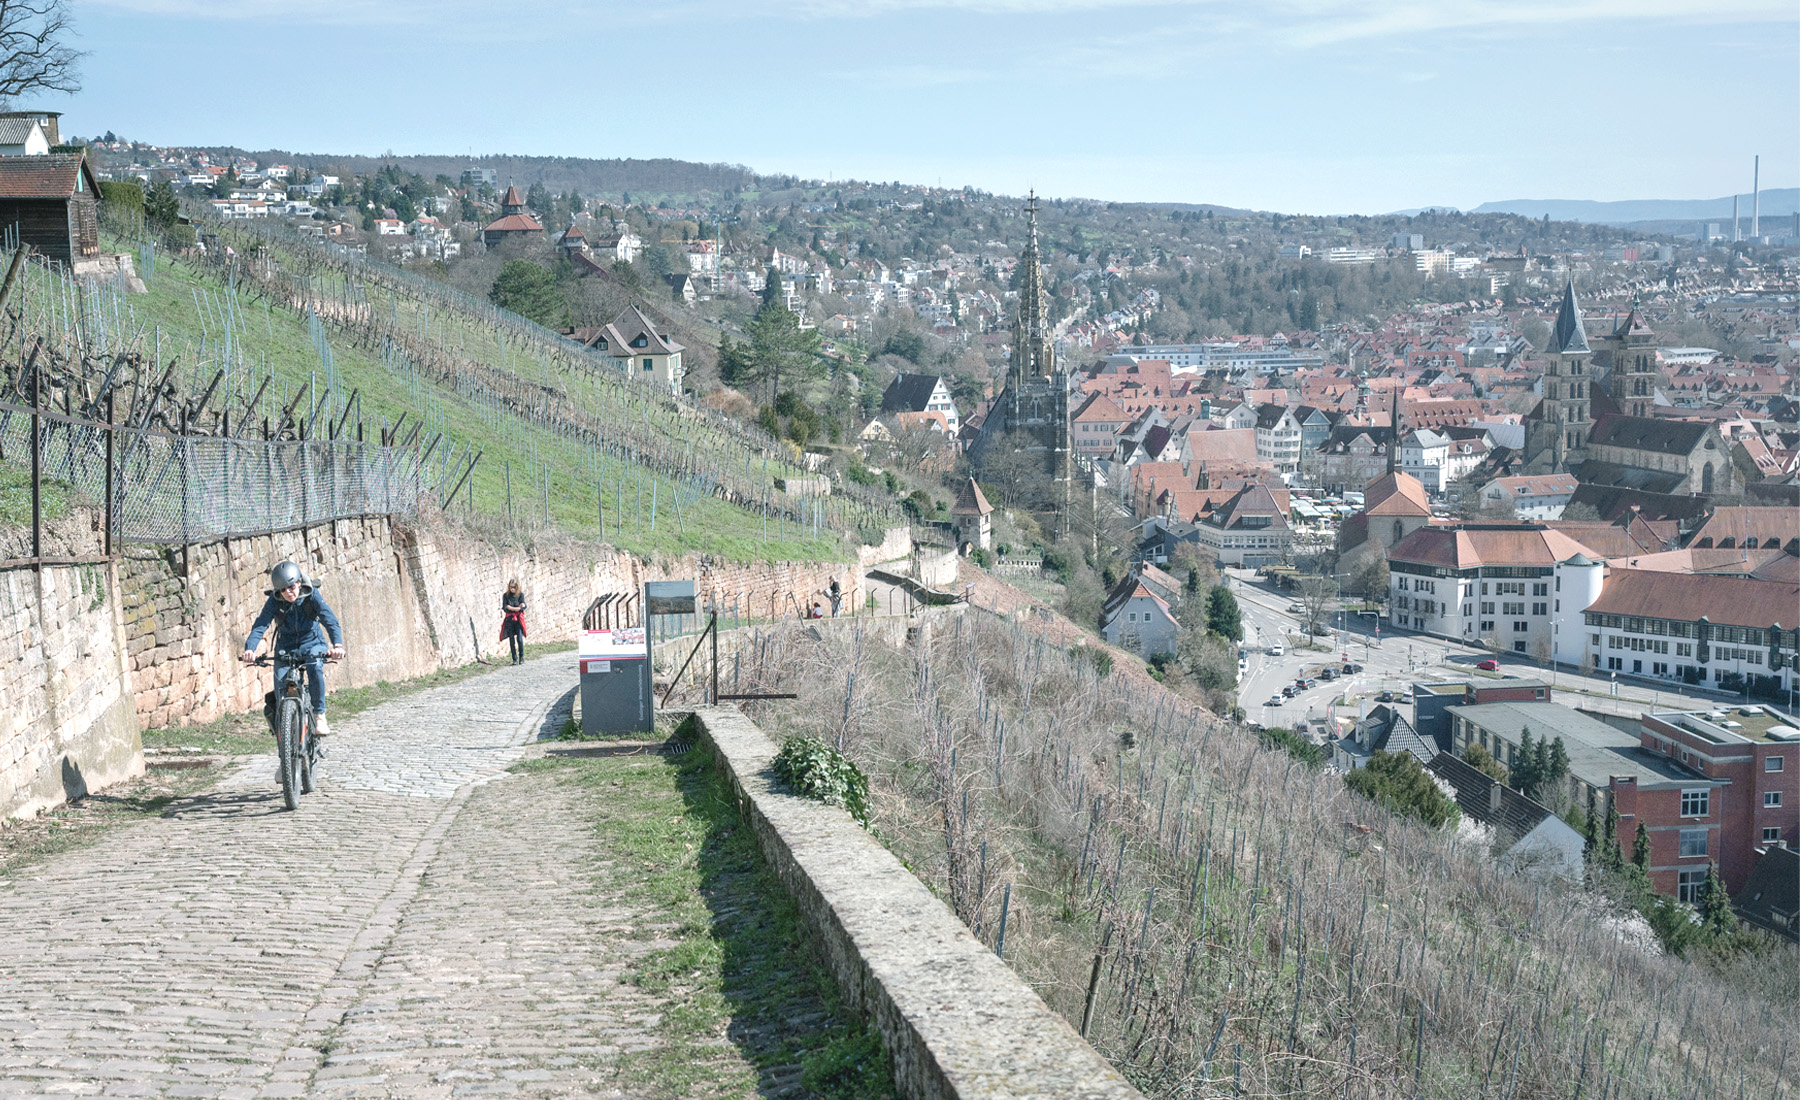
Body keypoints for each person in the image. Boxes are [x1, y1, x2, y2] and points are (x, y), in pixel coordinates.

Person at [240, 560, 344, 737]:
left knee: (314, 665)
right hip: (286, 647)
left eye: (291, 587)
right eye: (282, 590)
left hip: (312, 643)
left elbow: (329, 619)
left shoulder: (311, 595)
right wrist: (250, 648)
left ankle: (319, 715)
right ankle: (286, 750)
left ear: (298, 583)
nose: (288, 592)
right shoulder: (275, 601)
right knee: (281, 687)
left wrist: (337, 645)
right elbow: (261, 624)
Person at [500, 579, 528, 665]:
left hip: (518, 619)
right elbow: (505, 607)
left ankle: (521, 657)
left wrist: (512, 608)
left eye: (514, 587)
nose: (512, 589)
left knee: (519, 639)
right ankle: (514, 659)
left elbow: (523, 606)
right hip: (510, 620)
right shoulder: (506, 596)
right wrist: (516, 608)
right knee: (511, 640)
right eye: (511, 587)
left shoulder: (520, 595)